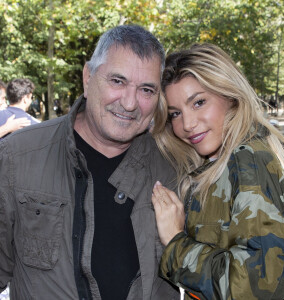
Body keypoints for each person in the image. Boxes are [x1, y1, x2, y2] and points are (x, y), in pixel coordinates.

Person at [0, 25, 179, 300]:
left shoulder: (175, 170)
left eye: (146, 90)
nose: (130, 103)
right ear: (88, 78)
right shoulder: (16, 158)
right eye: (117, 81)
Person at [151, 43, 284, 300]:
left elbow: (259, 282)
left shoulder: (247, 159)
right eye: (175, 113)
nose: (187, 124)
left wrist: (176, 244)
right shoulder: (215, 164)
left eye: (198, 102)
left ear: (230, 96)